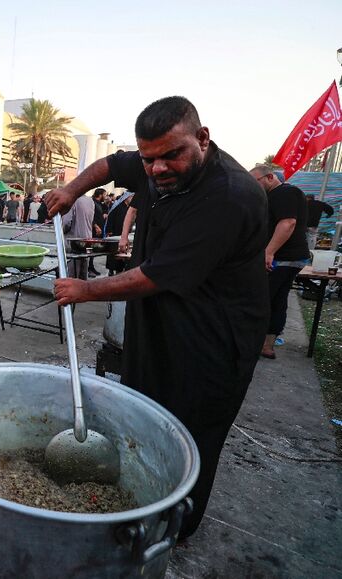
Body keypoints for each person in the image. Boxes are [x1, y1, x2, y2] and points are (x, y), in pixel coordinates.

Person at [45, 96, 268, 540]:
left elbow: (155, 276)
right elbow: (110, 164)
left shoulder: (228, 196)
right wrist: (72, 189)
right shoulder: (153, 163)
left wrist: (84, 290)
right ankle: (139, 501)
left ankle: (174, 528)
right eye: (149, 159)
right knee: (142, 407)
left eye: (172, 155)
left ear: (202, 139)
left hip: (213, 337)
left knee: (190, 432)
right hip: (160, 322)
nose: (158, 169)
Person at [249, 165, 310, 359]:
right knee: (276, 299)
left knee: (261, 299)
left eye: (255, 182)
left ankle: (254, 343)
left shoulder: (286, 192)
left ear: (269, 177)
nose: (253, 186)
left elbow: (288, 223)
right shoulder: (275, 195)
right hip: (287, 257)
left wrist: (269, 252)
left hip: (282, 258)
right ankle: (266, 346)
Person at [60, 193, 95, 279]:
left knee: (72, 274)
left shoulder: (72, 201)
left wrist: (61, 231)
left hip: (73, 241)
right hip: (87, 239)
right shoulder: (90, 201)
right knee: (83, 273)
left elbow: (66, 222)